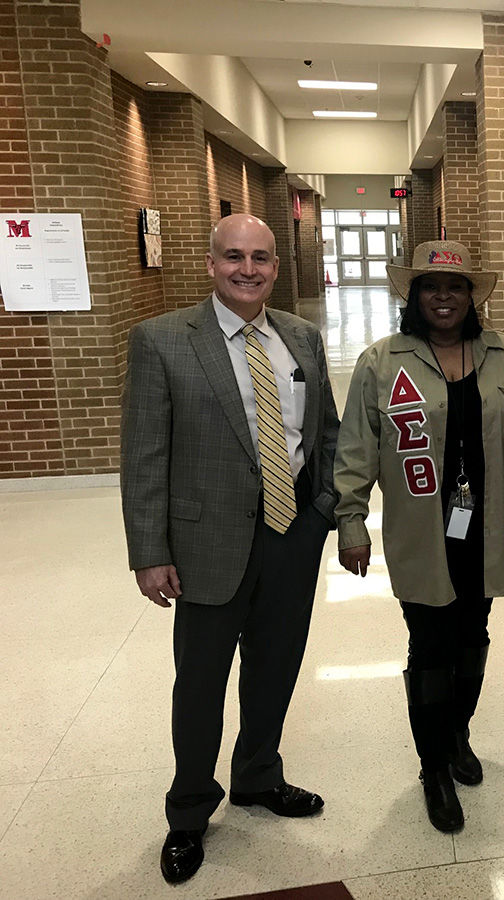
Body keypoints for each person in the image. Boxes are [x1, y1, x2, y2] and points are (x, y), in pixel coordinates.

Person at [120, 214, 340, 885]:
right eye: (234, 257)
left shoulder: (301, 336)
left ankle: (256, 776)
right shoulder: (162, 340)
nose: (249, 269)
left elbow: (325, 433)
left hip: (289, 535)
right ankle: (188, 811)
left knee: (274, 669)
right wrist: (148, 550)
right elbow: (144, 454)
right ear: (211, 264)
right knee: (201, 685)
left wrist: (323, 513)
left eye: (262, 259)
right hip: (204, 546)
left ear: (277, 266)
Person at [334, 240, 504, 834]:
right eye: (431, 286)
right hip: (419, 529)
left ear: (471, 295)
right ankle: (433, 766)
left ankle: (457, 734)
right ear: (414, 295)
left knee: (472, 634)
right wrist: (351, 520)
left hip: (486, 526)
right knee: (429, 643)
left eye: (455, 287)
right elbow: (355, 447)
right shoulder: (382, 361)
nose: (443, 297)